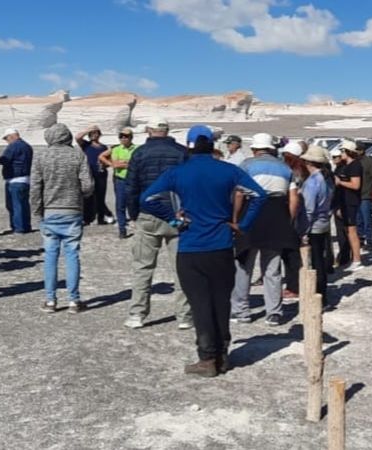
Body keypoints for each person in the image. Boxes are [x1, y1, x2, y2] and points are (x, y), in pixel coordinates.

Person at [141, 125, 266, 377]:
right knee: (221, 301)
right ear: (213, 146)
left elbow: (147, 199)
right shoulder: (229, 170)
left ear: (188, 145)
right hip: (221, 245)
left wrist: (174, 220)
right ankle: (223, 355)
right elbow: (259, 195)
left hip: (191, 246)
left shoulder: (178, 172)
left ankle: (207, 358)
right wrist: (242, 225)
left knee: (199, 304)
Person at [123, 117, 192, 329]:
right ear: (167, 130)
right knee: (181, 268)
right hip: (177, 215)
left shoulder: (140, 153)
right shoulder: (182, 152)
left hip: (148, 214)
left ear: (149, 131)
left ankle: (137, 314)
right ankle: (184, 317)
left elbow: (131, 187)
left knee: (143, 267)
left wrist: (134, 214)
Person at [231, 133, 299, 327]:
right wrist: (289, 220)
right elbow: (294, 198)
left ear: (255, 149)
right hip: (277, 214)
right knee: (272, 267)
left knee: (244, 265)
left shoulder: (247, 164)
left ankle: (241, 311)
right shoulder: (285, 168)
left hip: (252, 212)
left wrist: (236, 219)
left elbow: (239, 194)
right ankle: (274, 312)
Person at [30, 123, 95, 313]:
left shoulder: (41, 155)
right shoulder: (77, 154)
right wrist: (78, 195)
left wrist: (36, 211)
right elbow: (88, 185)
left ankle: (51, 300)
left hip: (50, 211)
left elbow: (35, 187)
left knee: (50, 256)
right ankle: (74, 301)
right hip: (73, 210)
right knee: (72, 254)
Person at [299, 145, 334, 303]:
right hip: (322, 222)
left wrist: (303, 230)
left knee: (316, 261)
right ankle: (322, 294)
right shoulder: (324, 178)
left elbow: (308, 209)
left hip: (314, 226)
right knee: (319, 259)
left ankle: (319, 294)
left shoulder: (313, 181)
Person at [280, 141, 307, 299]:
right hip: (294, 214)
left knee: (291, 255)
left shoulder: (294, 172)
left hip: (292, 215)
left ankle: (294, 286)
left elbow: (294, 197)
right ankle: (293, 284)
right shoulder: (300, 171)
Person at [99, 127, 137, 238]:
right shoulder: (116, 149)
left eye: (126, 136)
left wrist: (124, 163)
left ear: (131, 137)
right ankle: (122, 229)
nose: (123, 139)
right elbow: (115, 164)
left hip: (133, 180)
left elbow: (135, 163)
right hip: (120, 180)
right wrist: (116, 164)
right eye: (121, 136)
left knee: (133, 203)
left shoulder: (136, 148)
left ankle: (135, 223)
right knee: (120, 205)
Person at [76, 125, 115, 225]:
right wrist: (88, 129)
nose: (93, 135)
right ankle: (87, 218)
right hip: (88, 173)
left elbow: (108, 161)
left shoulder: (103, 147)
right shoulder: (86, 145)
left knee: (100, 196)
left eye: (95, 133)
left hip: (100, 174)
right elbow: (78, 137)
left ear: (99, 134)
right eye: (91, 134)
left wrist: (105, 165)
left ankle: (101, 218)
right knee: (88, 196)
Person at [334, 140, 364, 272]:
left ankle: (357, 259)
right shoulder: (345, 165)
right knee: (348, 231)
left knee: (352, 231)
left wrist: (340, 182)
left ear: (348, 152)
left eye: (342, 151)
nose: (341, 154)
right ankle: (352, 258)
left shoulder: (355, 166)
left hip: (351, 202)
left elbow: (355, 185)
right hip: (344, 201)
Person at [0, 128, 33, 233]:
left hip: (14, 179)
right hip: (25, 179)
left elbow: (5, 160)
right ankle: (26, 226)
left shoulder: (13, 146)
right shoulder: (27, 146)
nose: (6, 141)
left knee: (14, 205)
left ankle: (18, 228)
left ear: (12, 136)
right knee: (24, 204)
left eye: (6, 138)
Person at [329, 147, 350, 267]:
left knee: (343, 232)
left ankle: (344, 257)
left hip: (341, 203)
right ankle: (343, 255)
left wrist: (340, 206)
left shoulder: (342, 170)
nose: (334, 159)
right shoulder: (337, 169)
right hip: (337, 203)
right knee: (341, 231)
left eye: (336, 157)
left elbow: (343, 191)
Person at [356, 142, 372, 250]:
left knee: (367, 219)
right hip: (356, 195)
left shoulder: (368, 162)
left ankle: (370, 240)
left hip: (365, 196)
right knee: (358, 219)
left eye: (357, 150)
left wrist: (369, 191)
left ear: (361, 150)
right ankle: (360, 239)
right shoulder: (355, 162)